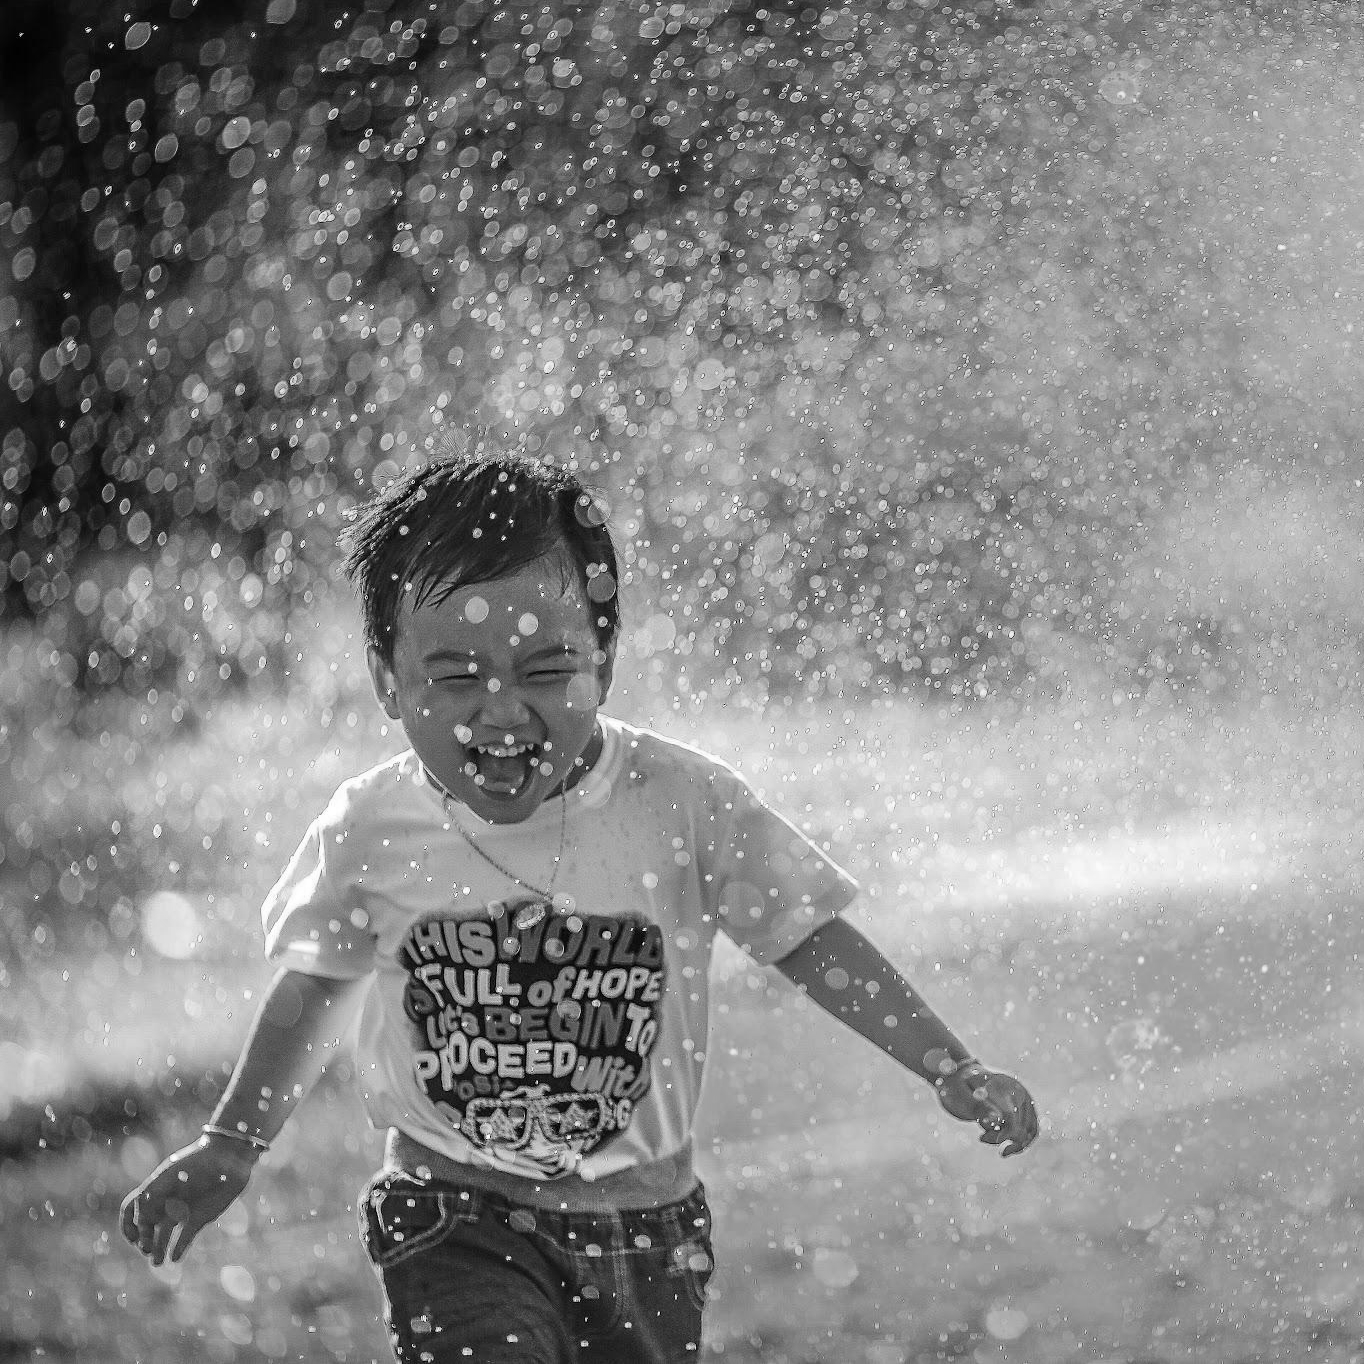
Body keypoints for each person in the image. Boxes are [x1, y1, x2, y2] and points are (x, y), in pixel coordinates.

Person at [120, 436, 1039, 1363]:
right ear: (385, 680)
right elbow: (316, 987)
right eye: (455, 676)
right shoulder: (373, 827)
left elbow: (809, 937)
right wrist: (232, 1140)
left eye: (546, 671)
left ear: (605, 656)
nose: (502, 711)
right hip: (452, 1212)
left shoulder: (682, 803)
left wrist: (946, 1064)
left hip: (648, 1232)